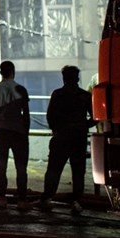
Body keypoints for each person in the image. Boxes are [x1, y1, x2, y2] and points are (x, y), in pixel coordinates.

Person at [37, 65, 97, 214]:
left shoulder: (57, 94)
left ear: (64, 78)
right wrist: (83, 126)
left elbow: (50, 116)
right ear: (77, 78)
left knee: (53, 170)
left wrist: (57, 129)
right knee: (78, 171)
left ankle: (47, 199)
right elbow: (95, 117)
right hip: (78, 138)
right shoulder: (84, 96)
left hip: (61, 137)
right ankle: (76, 202)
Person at [0, 60, 32, 211]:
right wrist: (26, 132)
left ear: (1, 72)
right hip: (18, 131)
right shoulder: (21, 89)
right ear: (13, 71)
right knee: (21, 167)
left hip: (1, 130)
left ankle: (1, 198)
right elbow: (26, 113)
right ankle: (22, 200)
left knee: (1, 166)